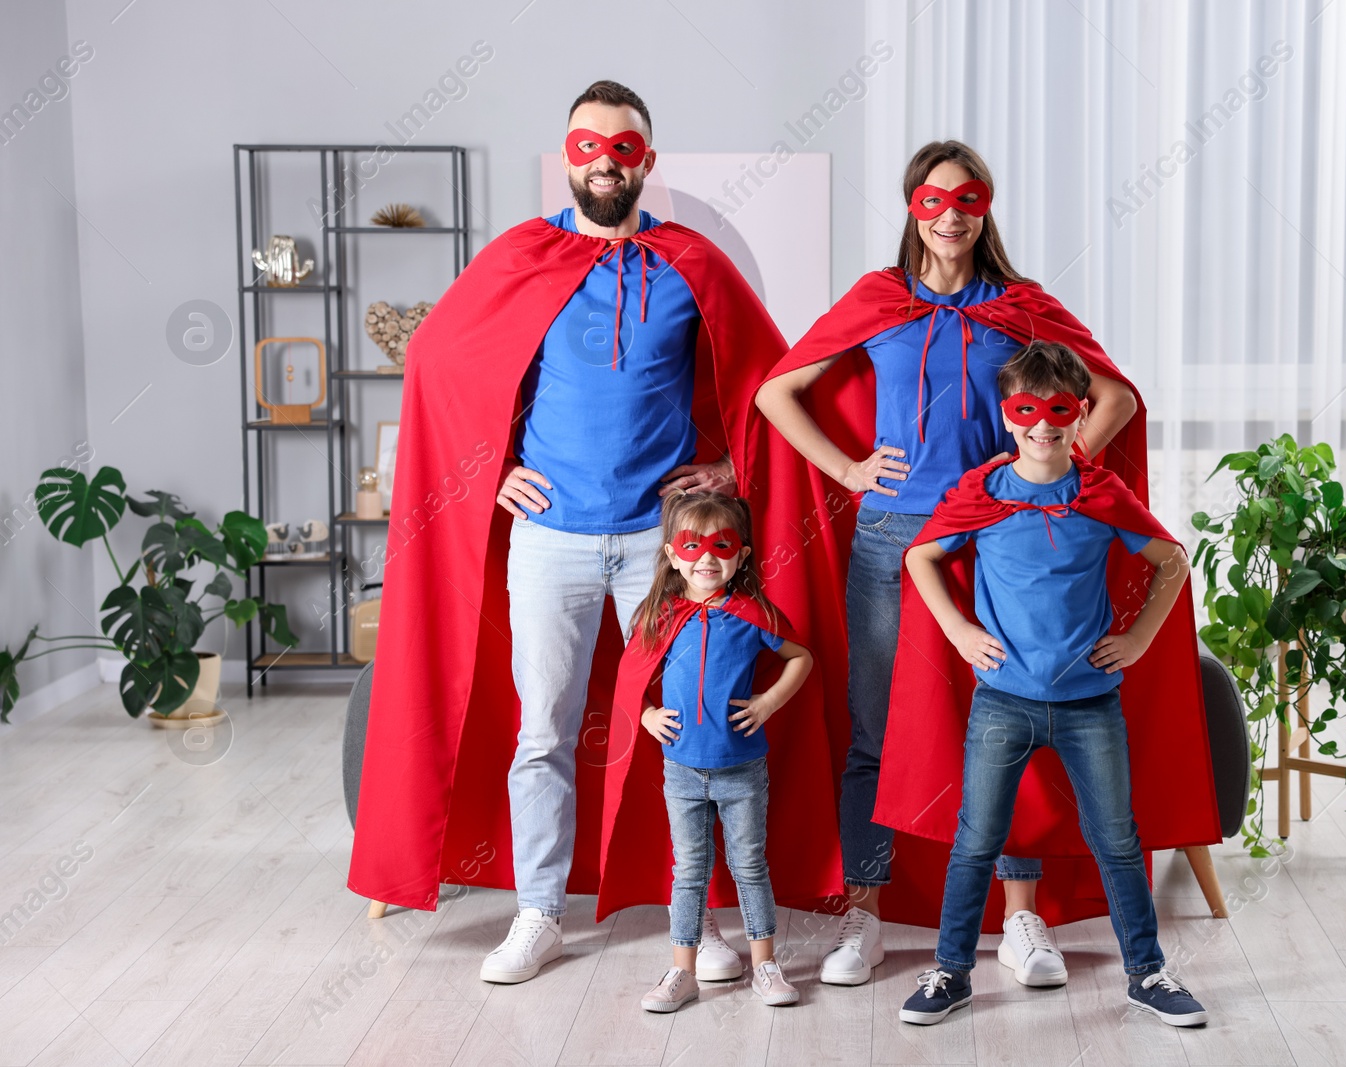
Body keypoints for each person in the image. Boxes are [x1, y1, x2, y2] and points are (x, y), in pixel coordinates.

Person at [347, 79, 845, 982]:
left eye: (623, 147)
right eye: (587, 146)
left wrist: (732, 469)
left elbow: (770, 377)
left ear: (646, 162)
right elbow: (440, 364)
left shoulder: (693, 263)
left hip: (667, 553)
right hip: (551, 543)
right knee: (544, 730)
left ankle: (699, 921)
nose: (605, 161)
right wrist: (489, 472)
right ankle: (539, 911)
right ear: (566, 156)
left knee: (690, 725)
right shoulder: (522, 259)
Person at [755, 140, 1141, 987]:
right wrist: (851, 471)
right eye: (933, 200)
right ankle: (866, 912)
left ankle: (1022, 918)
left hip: (998, 539)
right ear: (911, 209)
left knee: (1010, 720)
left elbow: (1113, 396)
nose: (952, 214)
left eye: (967, 199)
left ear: (987, 207)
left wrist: (1051, 467)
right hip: (893, 532)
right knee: (874, 726)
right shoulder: (877, 298)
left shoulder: (1021, 305)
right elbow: (776, 391)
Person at [895, 341, 1207, 1027]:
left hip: (1089, 702)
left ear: (1080, 413)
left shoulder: (1098, 493)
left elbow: (1171, 561)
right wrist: (956, 630)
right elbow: (921, 555)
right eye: (1027, 411)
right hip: (1003, 700)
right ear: (1008, 417)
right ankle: (950, 973)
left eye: (1058, 410)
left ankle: (1147, 972)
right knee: (977, 836)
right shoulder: (984, 492)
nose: (1043, 425)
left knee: (1117, 839)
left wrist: (1139, 638)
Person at [621, 492, 812, 1012]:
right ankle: (682, 971)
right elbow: (629, 675)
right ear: (671, 553)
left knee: (750, 866)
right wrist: (646, 715)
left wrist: (768, 702)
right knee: (689, 872)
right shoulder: (660, 615)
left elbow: (801, 657)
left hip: (742, 768)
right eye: (693, 545)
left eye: (721, 545)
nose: (707, 557)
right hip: (681, 769)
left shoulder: (753, 614)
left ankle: (766, 966)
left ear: (742, 555)